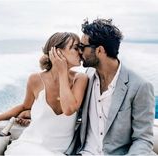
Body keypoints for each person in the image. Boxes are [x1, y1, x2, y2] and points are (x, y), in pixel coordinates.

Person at [0, 32, 88, 155]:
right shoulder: (35, 79)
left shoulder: (80, 79)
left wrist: (62, 72)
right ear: (57, 52)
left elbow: (70, 108)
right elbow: (25, 106)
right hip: (30, 145)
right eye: (76, 48)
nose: (81, 52)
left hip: (58, 151)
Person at [66, 18, 155, 155]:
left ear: (100, 51)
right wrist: (29, 112)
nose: (79, 52)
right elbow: (72, 109)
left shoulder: (140, 86)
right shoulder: (86, 77)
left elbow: (142, 139)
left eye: (83, 47)